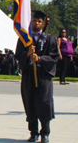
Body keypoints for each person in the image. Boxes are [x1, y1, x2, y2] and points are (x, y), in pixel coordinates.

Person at [16, 10, 59, 143]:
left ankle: (45, 132)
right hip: (29, 75)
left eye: (39, 21)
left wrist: (40, 59)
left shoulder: (50, 38)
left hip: (43, 77)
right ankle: (33, 132)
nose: (37, 23)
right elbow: (18, 56)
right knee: (30, 103)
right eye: (34, 21)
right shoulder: (24, 39)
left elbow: (54, 56)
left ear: (43, 23)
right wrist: (28, 54)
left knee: (44, 104)